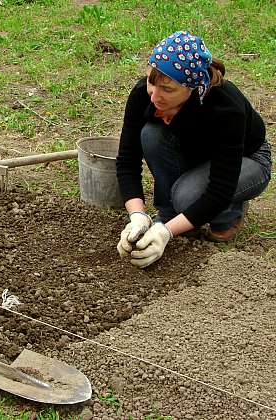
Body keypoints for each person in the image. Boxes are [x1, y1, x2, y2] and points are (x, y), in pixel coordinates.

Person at [116, 30, 272, 268]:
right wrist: (137, 216)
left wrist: (166, 233)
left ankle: (228, 215)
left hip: (248, 159)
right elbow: (127, 160)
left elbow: (219, 189)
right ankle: (169, 213)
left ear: (192, 88)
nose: (155, 96)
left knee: (187, 196)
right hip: (196, 151)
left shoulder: (225, 109)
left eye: (168, 89)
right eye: (151, 82)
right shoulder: (143, 95)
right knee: (150, 134)